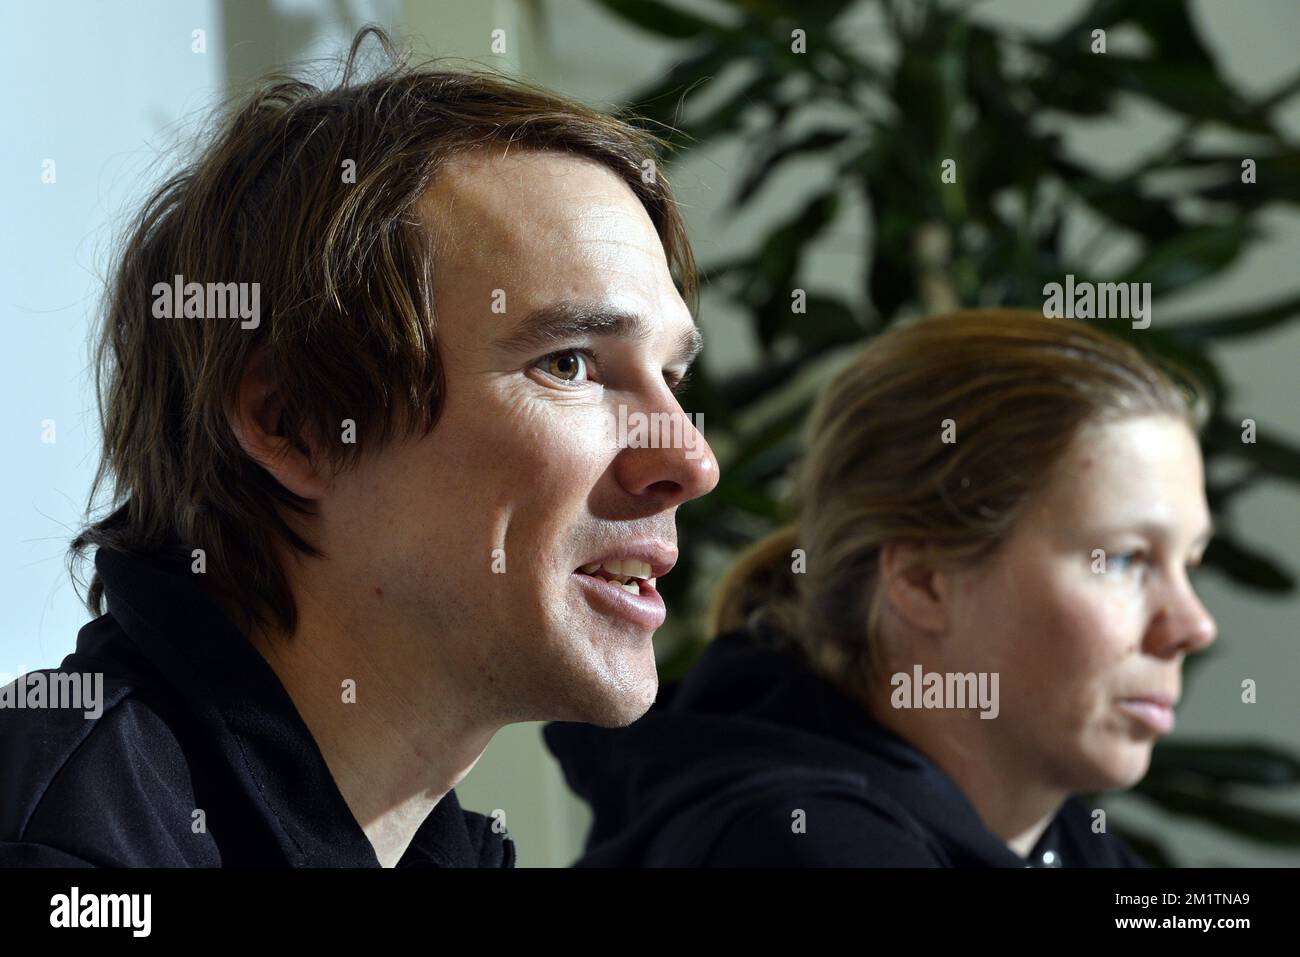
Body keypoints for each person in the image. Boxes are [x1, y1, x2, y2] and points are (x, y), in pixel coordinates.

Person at [0, 27, 717, 867]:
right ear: (294, 423)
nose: (692, 462)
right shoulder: (66, 852)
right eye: (570, 364)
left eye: (672, 375)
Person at [545, 309, 1216, 867]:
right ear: (924, 581)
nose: (1193, 624)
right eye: (1126, 559)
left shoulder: (1063, 841)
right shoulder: (803, 847)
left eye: (1190, 560)